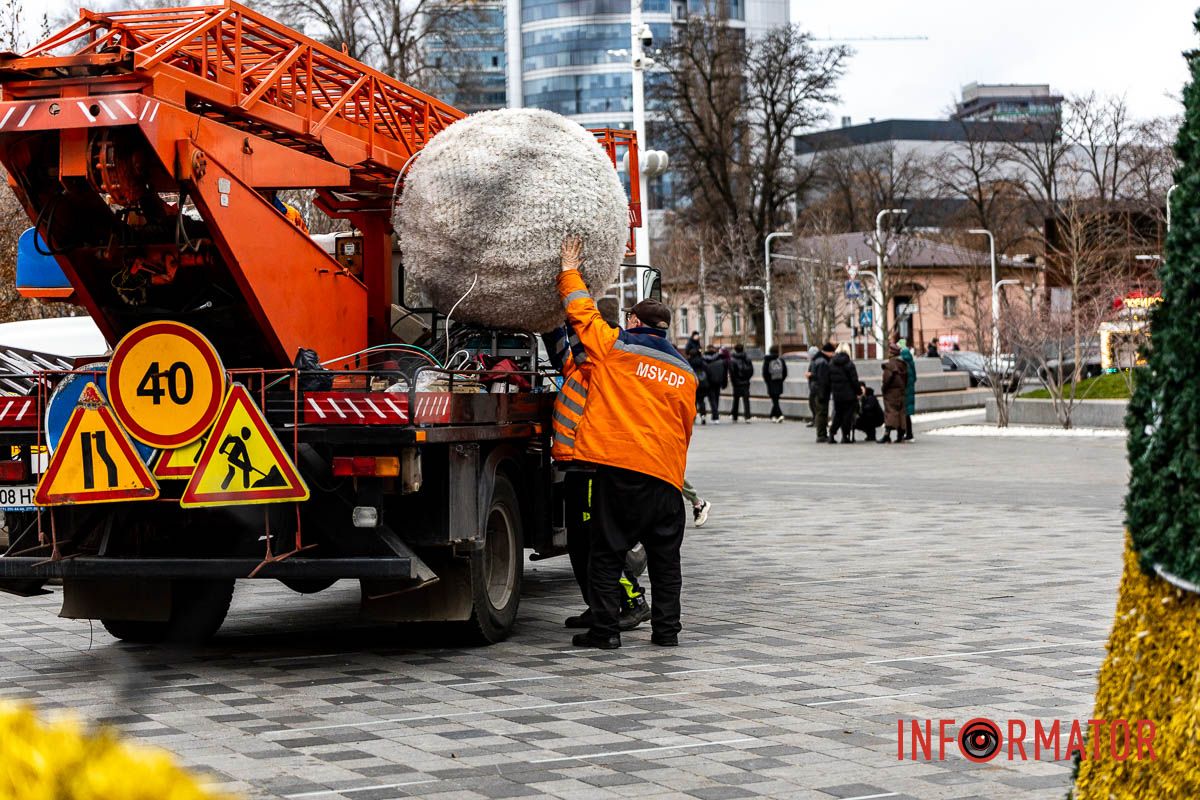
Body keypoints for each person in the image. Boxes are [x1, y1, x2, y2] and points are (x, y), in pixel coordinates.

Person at [557, 236, 696, 650]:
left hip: (620, 471)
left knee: (605, 553)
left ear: (633, 323)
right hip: (666, 477)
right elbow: (686, 427)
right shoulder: (685, 370)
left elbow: (581, 311)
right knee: (666, 561)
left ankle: (605, 633)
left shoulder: (616, 348)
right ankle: (666, 633)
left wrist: (569, 268)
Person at [543, 313, 650, 633]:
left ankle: (633, 602)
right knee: (579, 544)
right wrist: (549, 316)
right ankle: (600, 606)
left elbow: (576, 340)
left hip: (593, 467)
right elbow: (561, 346)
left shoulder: (606, 371)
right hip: (576, 465)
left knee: (596, 542)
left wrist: (574, 311)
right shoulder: (578, 368)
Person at [827, 344, 859, 444]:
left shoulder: (831, 363)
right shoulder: (849, 364)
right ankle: (845, 436)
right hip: (849, 395)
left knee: (838, 415)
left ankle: (832, 434)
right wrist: (859, 391)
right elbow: (854, 380)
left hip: (837, 394)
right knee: (847, 416)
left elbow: (829, 379)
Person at [880, 343, 908, 444]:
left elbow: (887, 380)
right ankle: (900, 435)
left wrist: (883, 388)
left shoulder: (890, 365)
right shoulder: (903, 365)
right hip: (901, 392)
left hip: (891, 393)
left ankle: (887, 435)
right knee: (900, 412)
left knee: (890, 413)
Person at [810, 343, 834, 442]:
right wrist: (823, 393)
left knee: (820, 412)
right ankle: (821, 434)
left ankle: (821, 433)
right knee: (822, 413)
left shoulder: (816, 360)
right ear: (828, 352)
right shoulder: (823, 362)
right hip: (821, 391)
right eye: (832, 352)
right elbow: (823, 379)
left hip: (816, 390)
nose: (833, 355)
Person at [762, 344, 787, 423]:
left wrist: (767, 381)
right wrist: (781, 380)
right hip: (779, 382)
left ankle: (780, 415)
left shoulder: (767, 360)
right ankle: (773, 415)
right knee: (776, 399)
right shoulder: (781, 360)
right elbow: (785, 372)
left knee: (774, 399)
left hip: (770, 382)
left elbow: (765, 373)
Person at [729, 343, 755, 422]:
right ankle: (747, 416)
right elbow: (751, 370)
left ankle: (735, 416)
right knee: (746, 400)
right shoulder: (747, 358)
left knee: (736, 400)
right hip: (746, 382)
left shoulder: (732, 360)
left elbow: (732, 373)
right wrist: (747, 378)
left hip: (736, 383)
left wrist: (734, 382)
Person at [702, 345, 727, 424]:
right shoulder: (720, 359)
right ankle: (715, 417)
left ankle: (715, 416)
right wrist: (723, 382)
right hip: (717, 382)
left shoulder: (704, 359)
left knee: (712, 400)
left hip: (709, 382)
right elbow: (724, 372)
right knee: (716, 399)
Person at [899, 340, 917, 441]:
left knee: (904, 413)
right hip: (910, 390)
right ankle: (908, 433)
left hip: (905, 391)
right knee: (907, 414)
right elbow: (914, 378)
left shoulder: (903, 363)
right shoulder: (911, 362)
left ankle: (907, 433)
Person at [688, 347, 710, 424]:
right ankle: (703, 416)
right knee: (701, 401)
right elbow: (707, 370)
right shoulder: (702, 361)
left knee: (694, 402)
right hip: (702, 383)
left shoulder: (689, 362)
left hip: (693, 383)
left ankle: (693, 417)